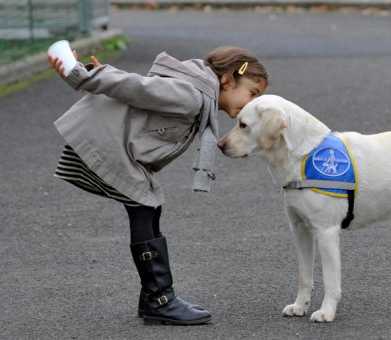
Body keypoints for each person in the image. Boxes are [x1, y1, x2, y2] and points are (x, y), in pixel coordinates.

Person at [47, 46, 268, 325]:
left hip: (121, 149)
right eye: (252, 93)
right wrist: (84, 76)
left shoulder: (196, 94)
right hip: (112, 147)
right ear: (226, 80)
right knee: (144, 205)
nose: (251, 103)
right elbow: (136, 86)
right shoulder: (191, 96)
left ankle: (154, 297)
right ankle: (160, 300)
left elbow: (140, 90)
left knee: (149, 207)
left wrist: (95, 75)